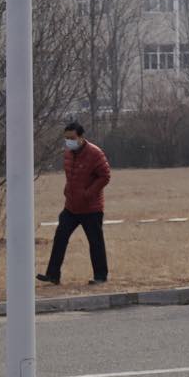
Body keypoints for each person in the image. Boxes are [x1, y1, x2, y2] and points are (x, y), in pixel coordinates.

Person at [39, 118, 111, 284]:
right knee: (60, 238)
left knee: (95, 242)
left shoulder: (95, 153)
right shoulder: (68, 154)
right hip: (71, 207)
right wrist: (67, 190)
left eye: (72, 138)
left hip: (91, 208)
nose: (68, 141)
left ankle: (100, 276)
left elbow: (105, 176)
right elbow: (71, 177)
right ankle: (53, 275)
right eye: (66, 138)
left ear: (81, 137)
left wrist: (88, 194)